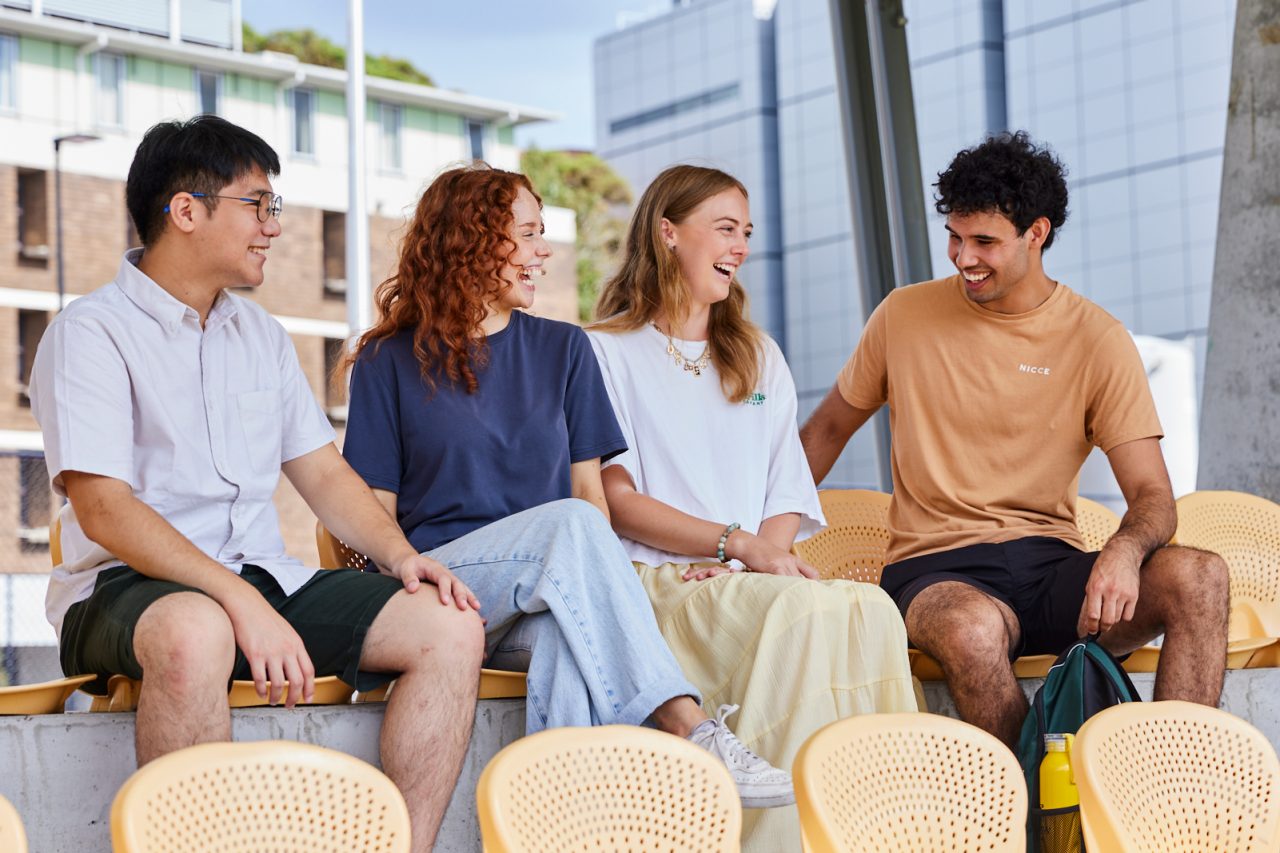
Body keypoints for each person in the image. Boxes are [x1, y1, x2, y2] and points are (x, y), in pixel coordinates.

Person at [30, 116, 484, 852]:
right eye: (258, 204)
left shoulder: (261, 336)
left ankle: (409, 845)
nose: (274, 226)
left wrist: (402, 558)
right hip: (121, 589)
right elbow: (105, 509)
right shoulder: (90, 333)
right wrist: (237, 599)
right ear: (186, 210)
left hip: (263, 579)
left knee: (449, 624)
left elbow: (324, 473)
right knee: (194, 628)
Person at [340, 163, 794, 809]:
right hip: (442, 586)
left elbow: (591, 492)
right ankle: (690, 725)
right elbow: (372, 514)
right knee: (573, 524)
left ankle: (562, 825)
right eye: (526, 235)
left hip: (541, 593)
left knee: (567, 639)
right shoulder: (388, 361)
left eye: (540, 234)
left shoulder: (565, 349)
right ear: (472, 240)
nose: (542, 252)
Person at [800, 131, 1230, 749]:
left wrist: (1123, 552)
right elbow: (826, 431)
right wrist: (746, 541)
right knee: (971, 629)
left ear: (1037, 232)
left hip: (1050, 568)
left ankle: (1166, 797)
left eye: (984, 242)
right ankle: (1036, 826)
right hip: (933, 570)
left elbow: (1152, 494)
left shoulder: (1096, 339)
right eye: (954, 236)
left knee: (1201, 577)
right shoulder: (902, 315)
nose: (962, 257)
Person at [586, 164, 917, 852]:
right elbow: (616, 502)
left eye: (747, 233)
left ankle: (869, 831)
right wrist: (734, 547)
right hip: (661, 582)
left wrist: (762, 557)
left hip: (746, 574)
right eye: (725, 229)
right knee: (797, 611)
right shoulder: (603, 352)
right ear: (668, 232)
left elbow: (785, 487)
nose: (740, 246)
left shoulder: (758, 356)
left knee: (873, 610)